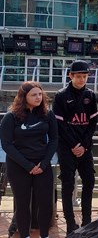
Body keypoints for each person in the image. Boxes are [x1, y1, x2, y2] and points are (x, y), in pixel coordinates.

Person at [0, 81, 58, 238]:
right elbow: (7, 145)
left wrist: (44, 163)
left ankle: (44, 235)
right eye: (34, 95)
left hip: (42, 165)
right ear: (23, 97)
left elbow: (54, 140)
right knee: (23, 205)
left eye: (40, 94)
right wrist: (28, 166)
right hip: (19, 166)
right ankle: (25, 235)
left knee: (46, 204)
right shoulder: (11, 117)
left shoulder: (48, 115)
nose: (38, 97)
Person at [53, 60, 98, 235]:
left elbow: (92, 122)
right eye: (78, 76)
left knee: (90, 181)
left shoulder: (91, 95)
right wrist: (74, 145)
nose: (81, 79)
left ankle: (87, 221)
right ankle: (70, 223)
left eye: (85, 76)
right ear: (70, 76)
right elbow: (60, 125)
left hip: (85, 148)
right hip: (67, 148)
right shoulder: (61, 96)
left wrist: (84, 146)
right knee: (67, 184)